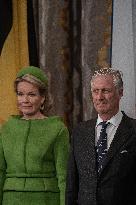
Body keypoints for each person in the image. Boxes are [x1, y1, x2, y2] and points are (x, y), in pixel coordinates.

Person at [0, 66, 69, 205]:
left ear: (42, 98)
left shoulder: (57, 129)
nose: (24, 100)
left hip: (46, 200)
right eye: (20, 94)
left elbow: (64, 177)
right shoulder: (7, 128)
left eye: (31, 94)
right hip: (10, 200)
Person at [66, 68, 136, 205]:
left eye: (105, 91)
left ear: (120, 92)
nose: (99, 97)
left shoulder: (133, 130)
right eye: (95, 91)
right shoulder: (80, 131)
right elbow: (71, 185)